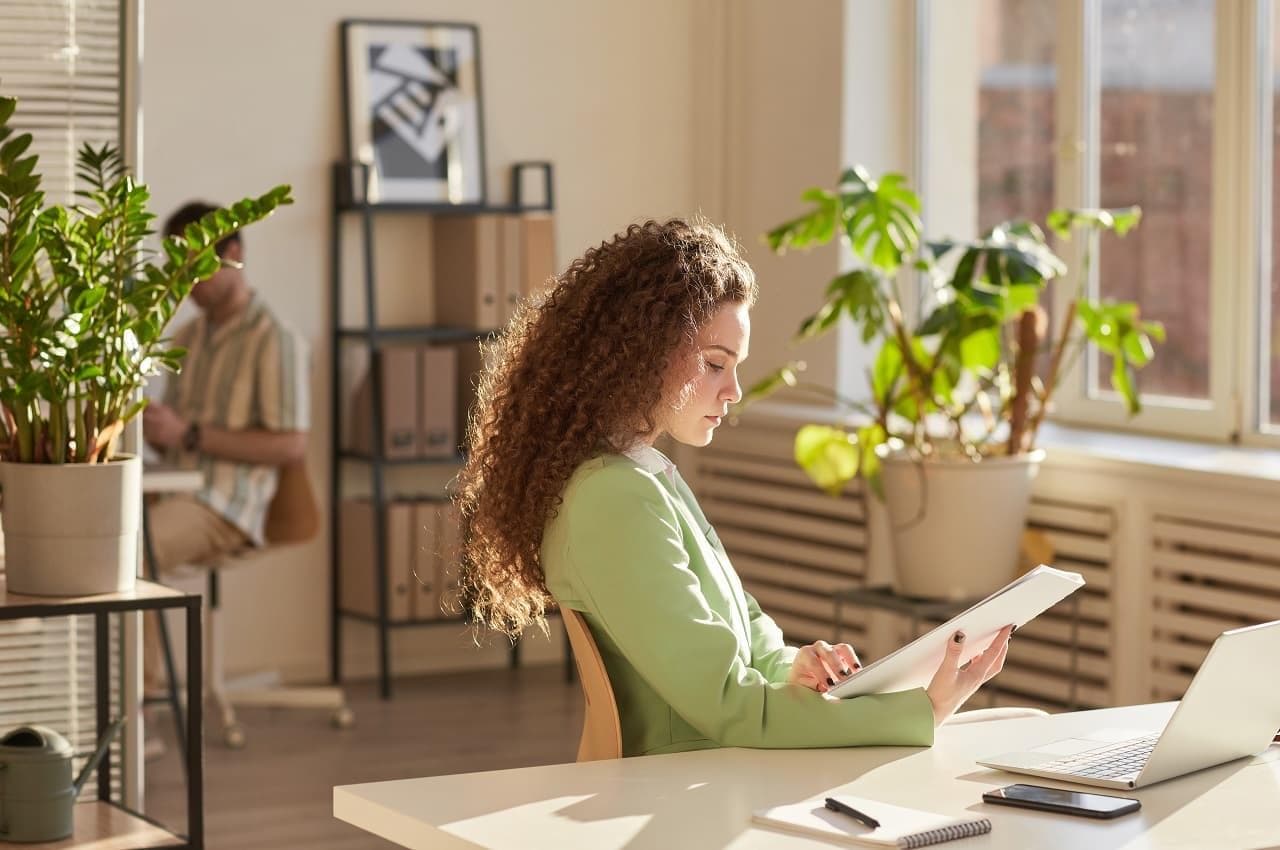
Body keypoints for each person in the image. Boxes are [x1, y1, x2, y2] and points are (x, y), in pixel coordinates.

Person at [455, 218, 1012, 757]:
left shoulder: (641, 476)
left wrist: (794, 666)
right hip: (691, 785)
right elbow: (726, 705)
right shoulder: (612, 498)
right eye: (715, 364)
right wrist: (922, 710)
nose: (733, 391)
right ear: (645, 351)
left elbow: (743, 627)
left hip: (719, 767)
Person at [141, 201, 310, 691]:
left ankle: (137, 710)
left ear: (232, 252)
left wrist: (188, 433)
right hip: (175, 488)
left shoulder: (275, 339)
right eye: (177, 270)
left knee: (132, 554)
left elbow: (292, 446)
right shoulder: (187, 336)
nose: (185, 284)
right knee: (95, 534)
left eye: (192, 268)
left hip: (225, 506)